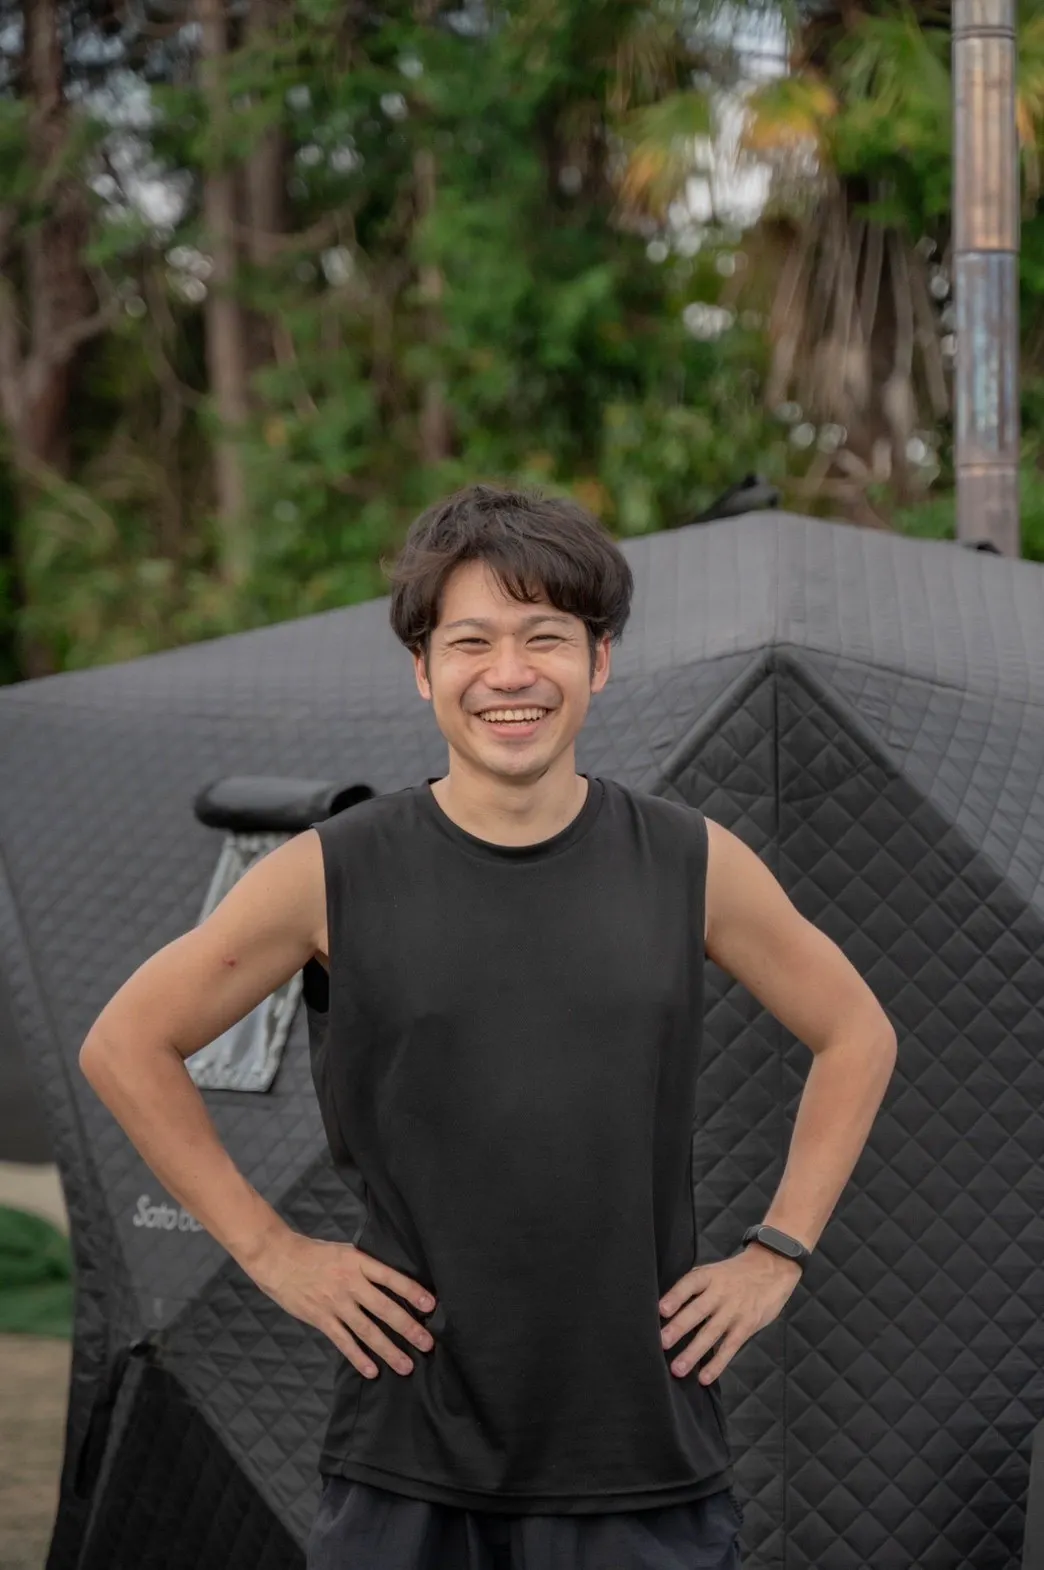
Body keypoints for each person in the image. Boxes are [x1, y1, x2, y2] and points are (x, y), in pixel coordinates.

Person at [79, 484, 898, 1570]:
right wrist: (271, 1251)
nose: (509, 673)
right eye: (471, 641)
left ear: (599, 660)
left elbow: (857, 1032)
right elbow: (125, 1043)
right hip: (406, 1448)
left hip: (639, 1446)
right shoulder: (333, 872)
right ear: (424, 670)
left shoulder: (692, 863)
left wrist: (777, 1252)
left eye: (544, 637)